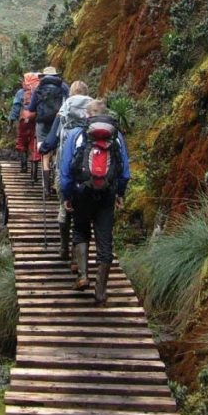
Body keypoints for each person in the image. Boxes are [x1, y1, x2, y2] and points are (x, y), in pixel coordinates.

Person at [59, 100, 130, 304]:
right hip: (107, 193)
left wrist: (67, 195)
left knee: (80, 230)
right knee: (105, 239)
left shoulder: (76, 135)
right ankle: (100, 292)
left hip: (82, 191)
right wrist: (120, 193)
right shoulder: (116, 137)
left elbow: (66, 170)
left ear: (87, 116)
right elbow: (124, 170)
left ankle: (83, 275)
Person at [38, 80, 92, 262]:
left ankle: (63, 248)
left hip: (65, 168)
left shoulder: (64, 111)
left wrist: (43, 148)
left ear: (71, 94)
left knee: (64, 207)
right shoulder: (95, 110)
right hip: (89, 171)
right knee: (83, 212)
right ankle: (78, 257)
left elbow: (52, 140)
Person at [28, 66, 68, 189]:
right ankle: (56, 177)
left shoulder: (38, 87)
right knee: (58, 148)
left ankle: (46, 187)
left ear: (43, 76)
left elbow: (31, 108)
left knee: (44, 152)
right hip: (58, 122)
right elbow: (68, 104)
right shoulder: (64, 86)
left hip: (42, 123)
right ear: (56, 75)